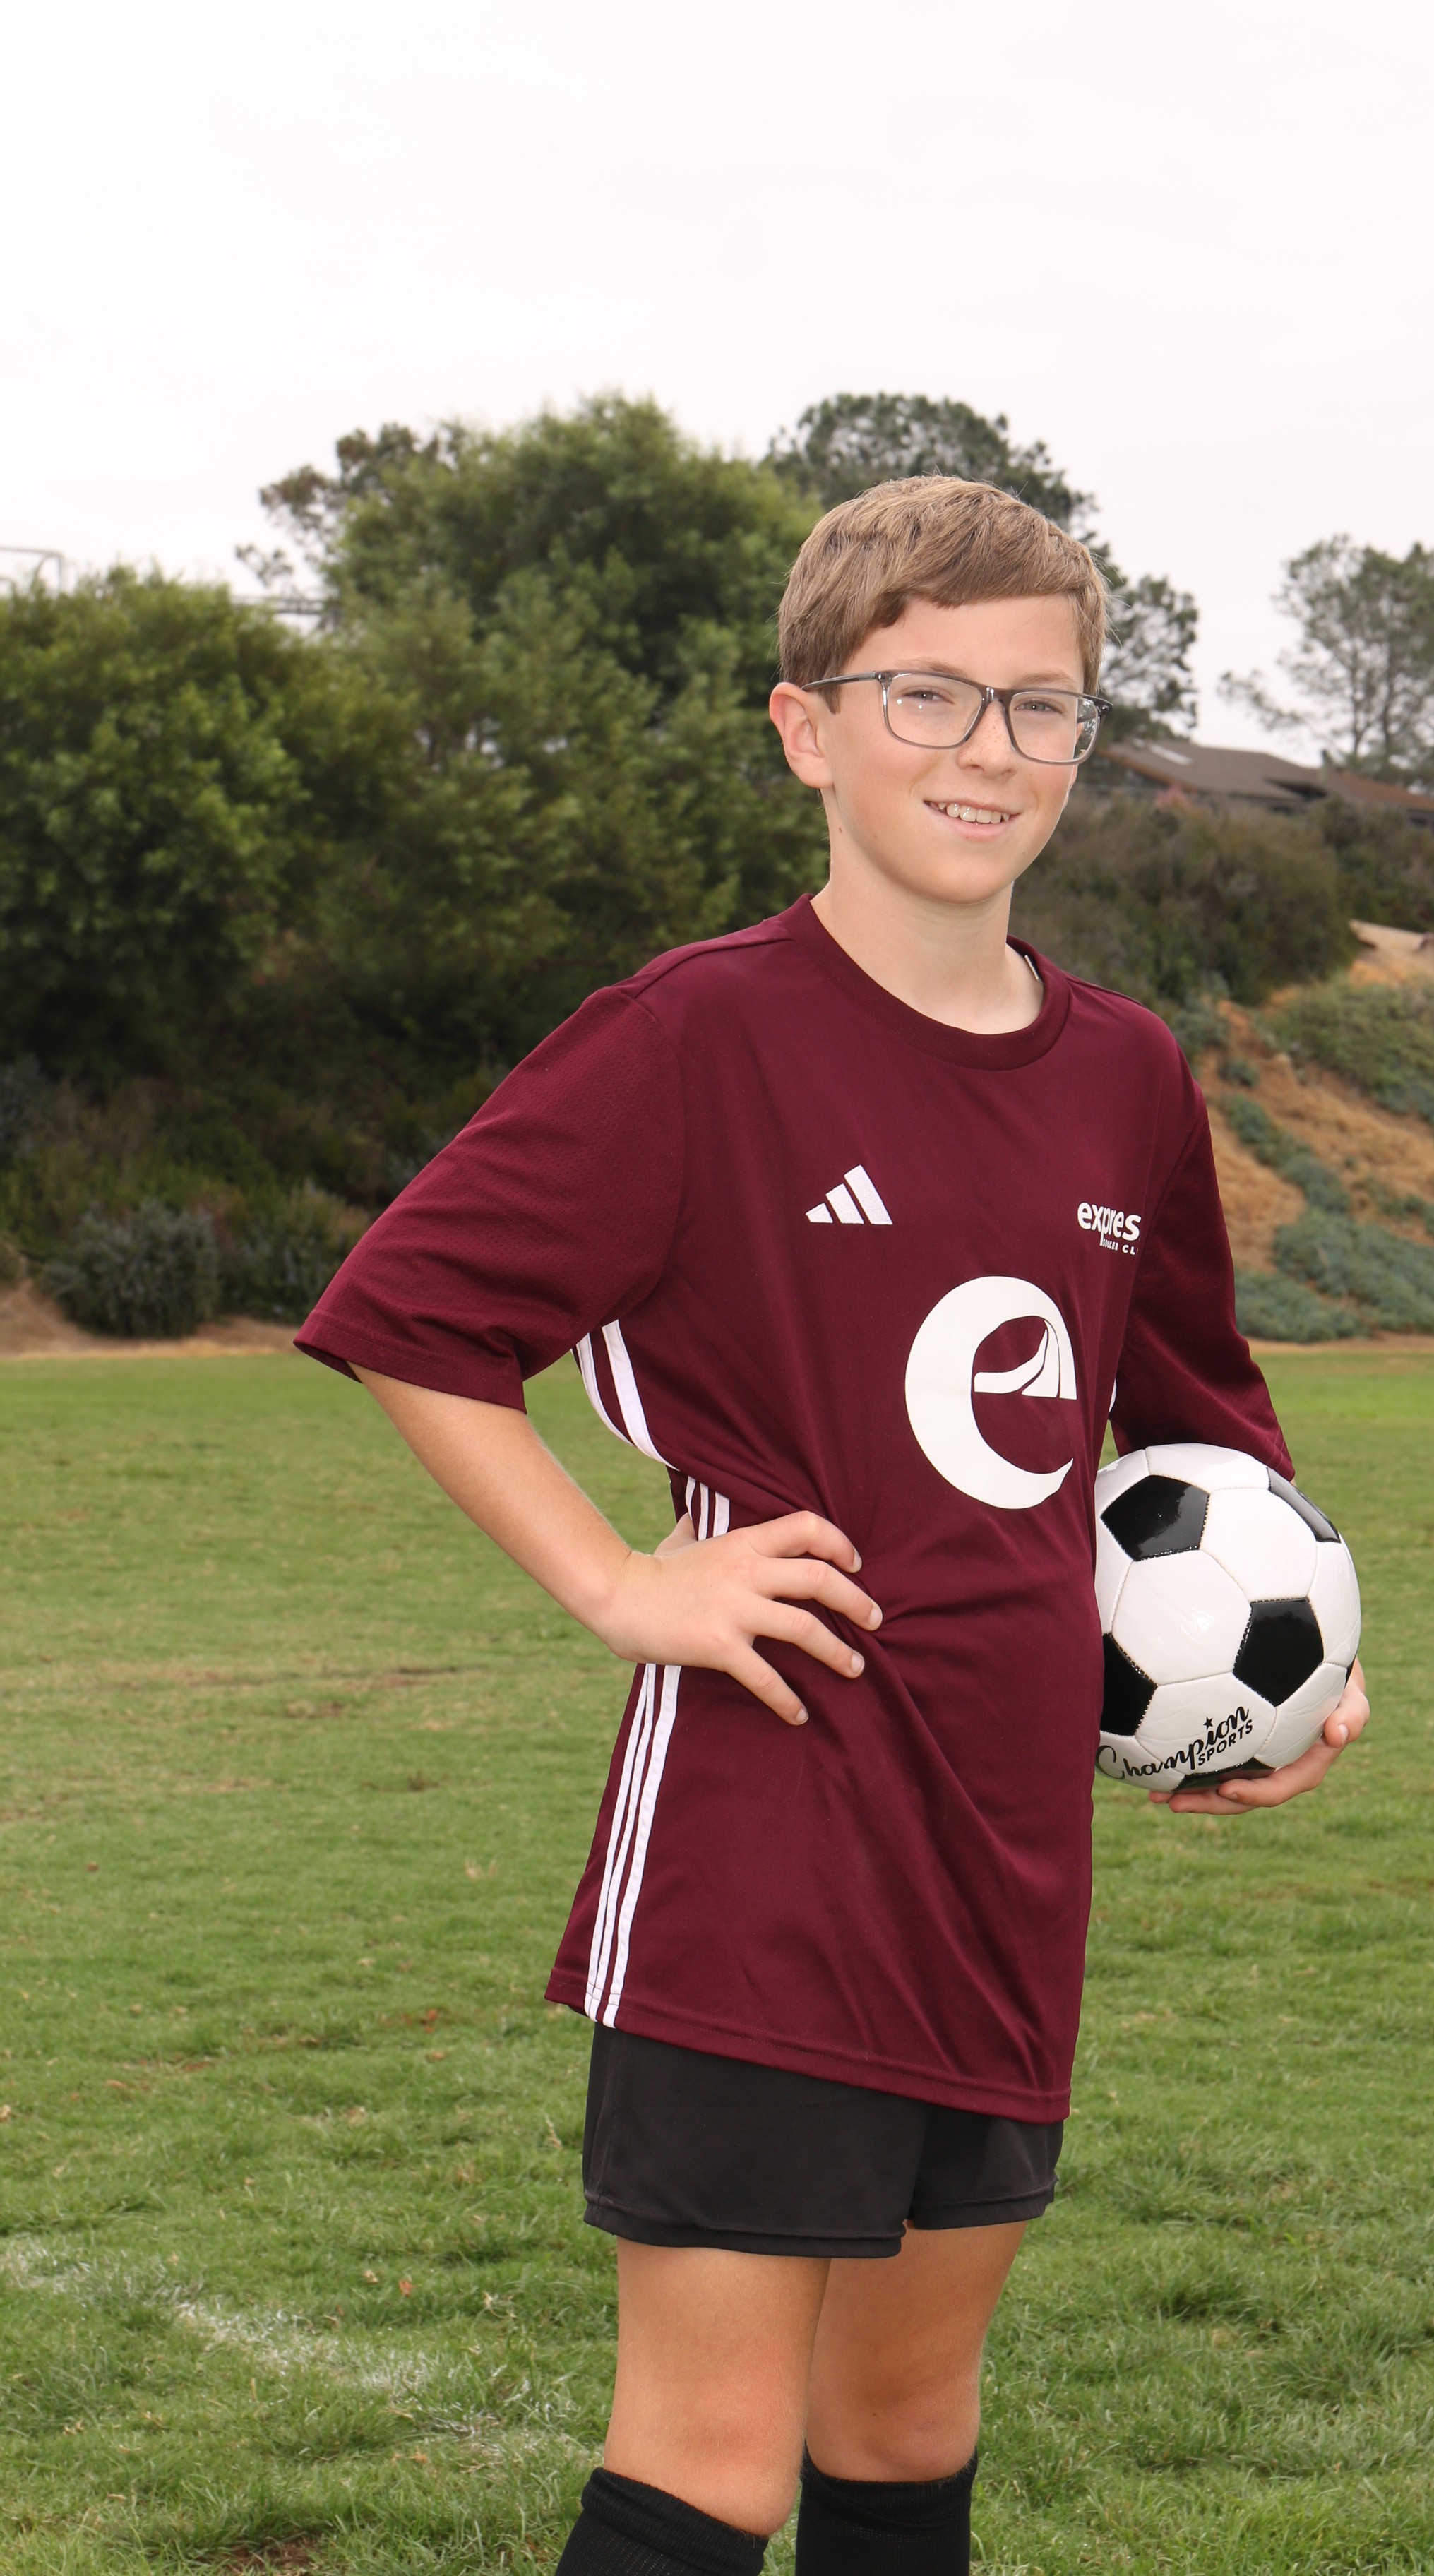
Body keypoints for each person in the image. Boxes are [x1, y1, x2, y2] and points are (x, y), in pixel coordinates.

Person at [296, 476, 1370, 2576]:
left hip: (1007, 1853)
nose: (988, 749)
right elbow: (411, 1314)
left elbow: (1195, 1421)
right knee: (714, 2462)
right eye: (927, 695)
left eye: (1039, 706)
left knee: (903, 2428)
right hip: (767, 1843)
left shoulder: (1127, 1076)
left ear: (1084, 740)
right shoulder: (702, 1034)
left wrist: (1291, 1677)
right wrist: (622, 1579)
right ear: (809, 728)